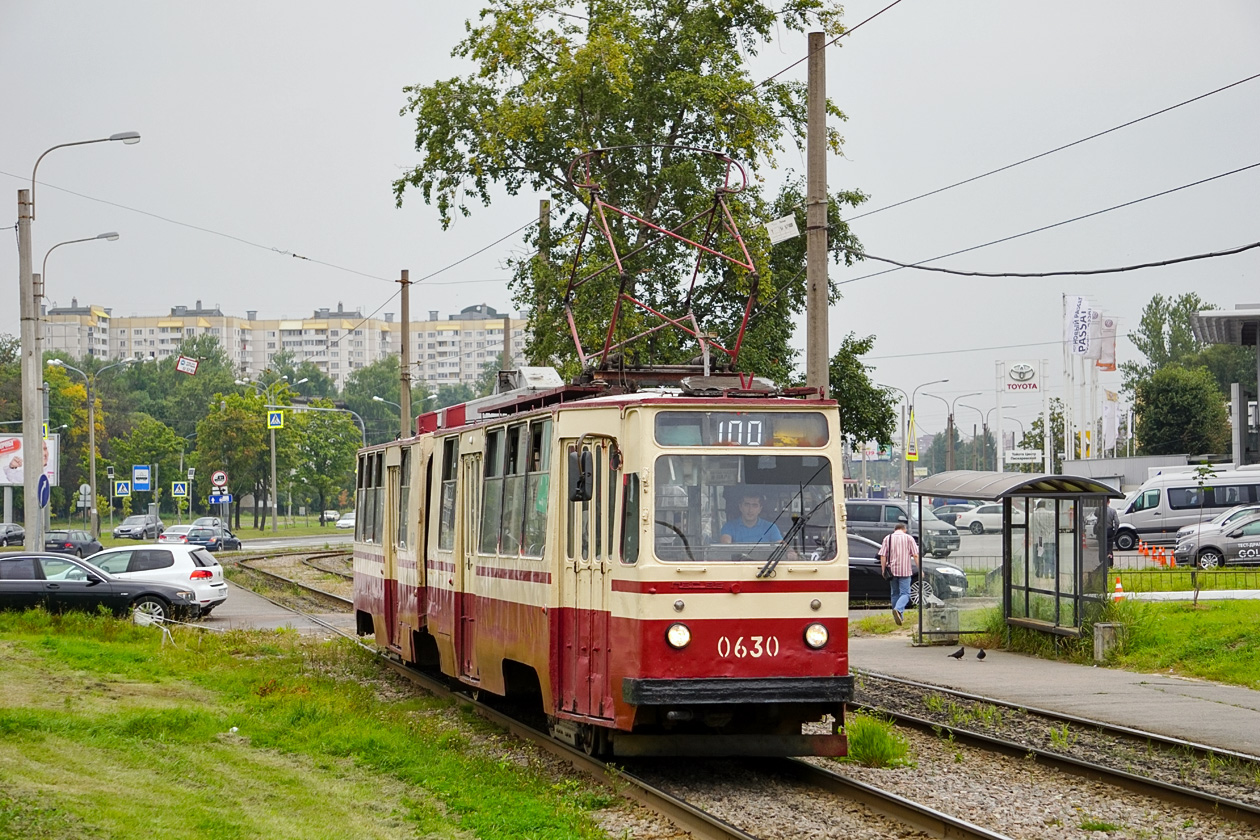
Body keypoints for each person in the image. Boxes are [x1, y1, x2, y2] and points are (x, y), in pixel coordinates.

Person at [878, 522, 919, 625]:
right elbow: (915, 555)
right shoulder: (909, 538)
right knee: (905, 593)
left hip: (892, 571)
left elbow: (882, 556)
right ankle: (898, 609)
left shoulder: (888, 538)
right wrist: (920, 568)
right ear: (904, 529)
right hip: (905, 570)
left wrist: (883, 570)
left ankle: (898, 616)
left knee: (895, 593)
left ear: (895, 529)